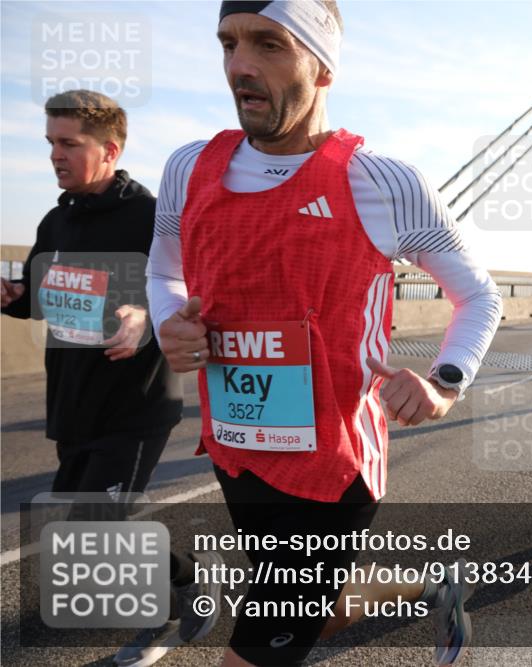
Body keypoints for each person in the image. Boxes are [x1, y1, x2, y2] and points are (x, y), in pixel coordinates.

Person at [146, 2, 501, 666]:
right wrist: (169, 319)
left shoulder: (383, 182)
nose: (240, 67)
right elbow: (163, 269)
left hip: (336, 466)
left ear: (324, 64)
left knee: (260, 645)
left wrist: (445, 381)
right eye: (228, 43)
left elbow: (479, 295)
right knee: (308, 608)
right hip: (238, 452)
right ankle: (434, 585)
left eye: (270, 45)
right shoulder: (188, 169)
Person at [0, 91, 217, 665]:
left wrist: (146, 315)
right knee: (82, 524)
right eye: (50, 143)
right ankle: (189, 576)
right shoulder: (56, 219)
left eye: (69, 143)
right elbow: (44, 300)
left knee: (97, 522)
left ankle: (162, 619)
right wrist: (15, 297)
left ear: (110, 149)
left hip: (137, 403)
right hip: (73, 401)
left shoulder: (151, 217)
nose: (55, 155)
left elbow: (188, 293)